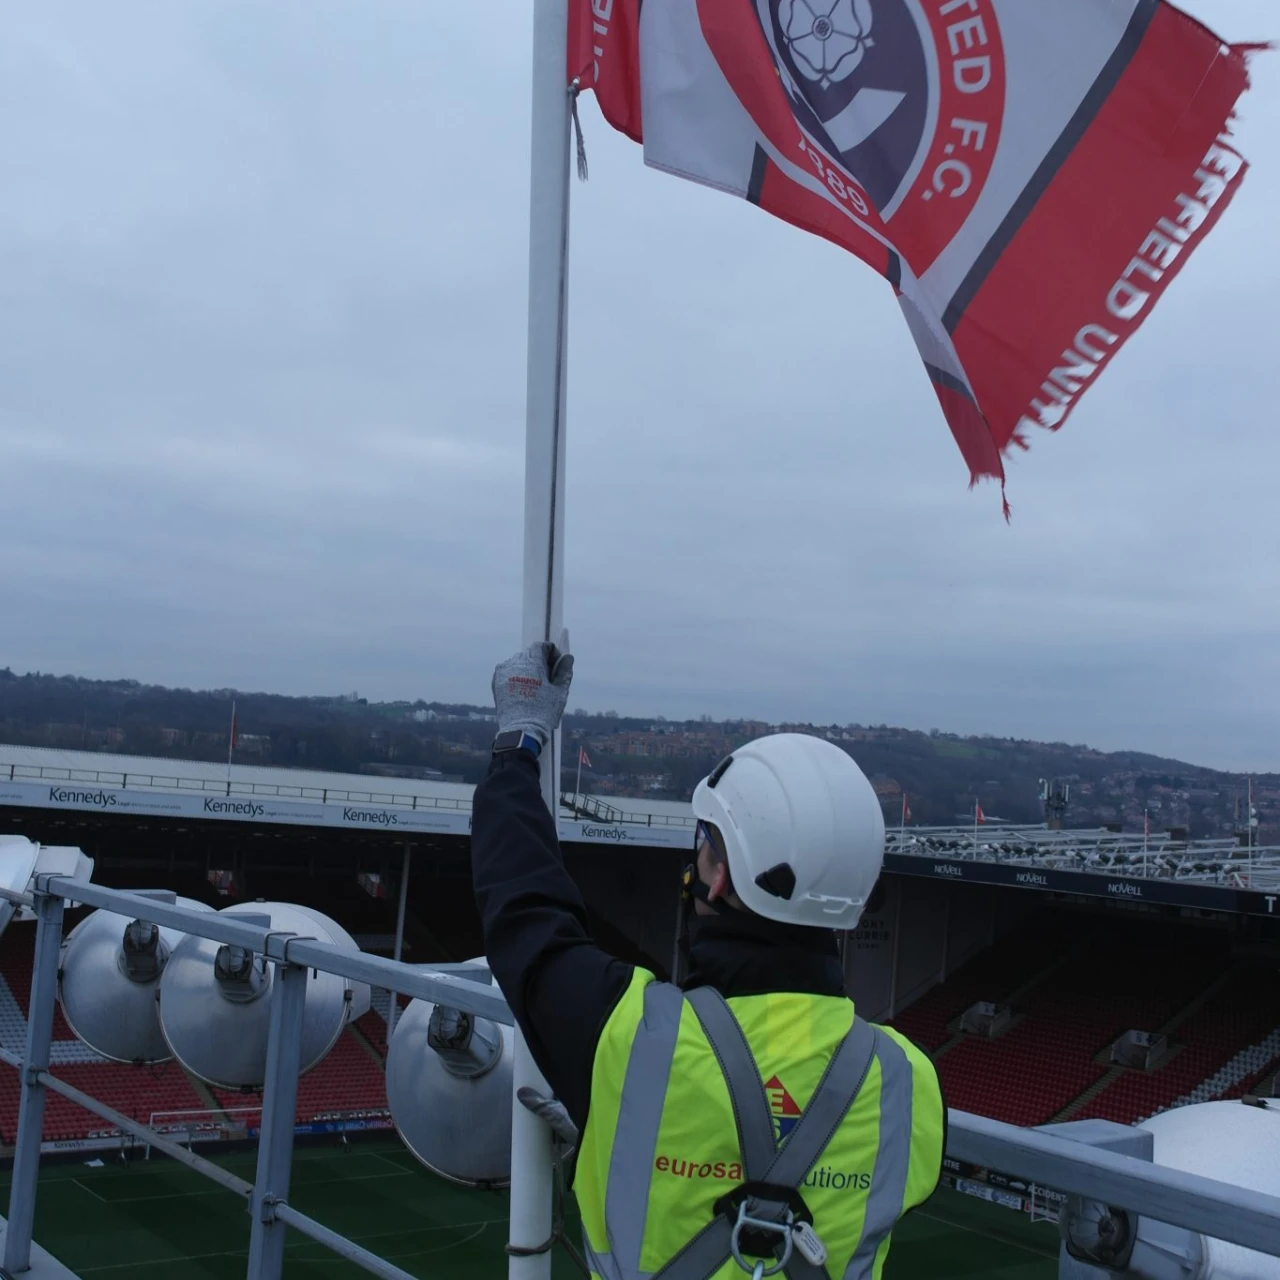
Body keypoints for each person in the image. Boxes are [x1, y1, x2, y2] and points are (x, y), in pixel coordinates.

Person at [472, 642, 945, 1280]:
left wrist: (517, 744)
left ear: (719, 878)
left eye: (704, 845)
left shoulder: (628, 1038)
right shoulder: (907, 1083)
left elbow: (525, 909)